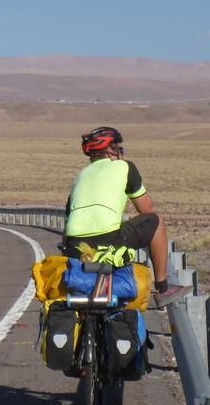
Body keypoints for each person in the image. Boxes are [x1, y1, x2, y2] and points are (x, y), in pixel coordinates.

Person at [62, 126, 191, 309]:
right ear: (110, 149)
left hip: (76, 246)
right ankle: (163, 289)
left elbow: (67, 225)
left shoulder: (80, 176)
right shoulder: (125, 166)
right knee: (156, 220)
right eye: (118, 147)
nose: (121, 151)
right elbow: (145, 209)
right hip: (110, 238)